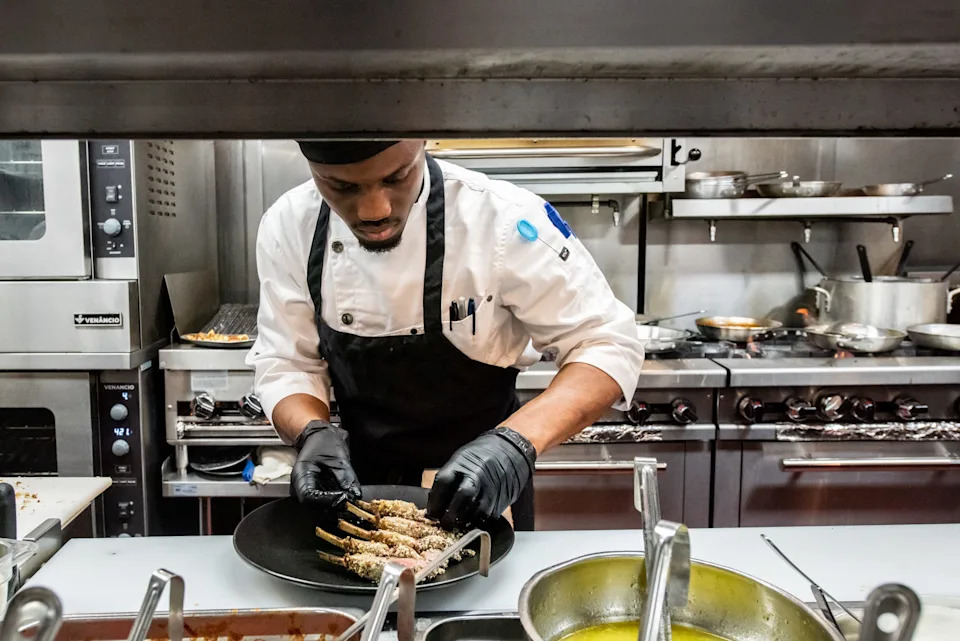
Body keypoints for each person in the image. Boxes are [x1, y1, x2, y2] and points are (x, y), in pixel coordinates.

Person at [247, 140, 643, 529]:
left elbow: (606, 343)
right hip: (355, 488)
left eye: (397, 177)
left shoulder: (502, 220)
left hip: (484, 489)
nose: (374, 210)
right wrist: (312, 433)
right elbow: (288, 363)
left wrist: (516, 444)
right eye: (341, 186)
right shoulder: (290, 224)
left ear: (424, 141)